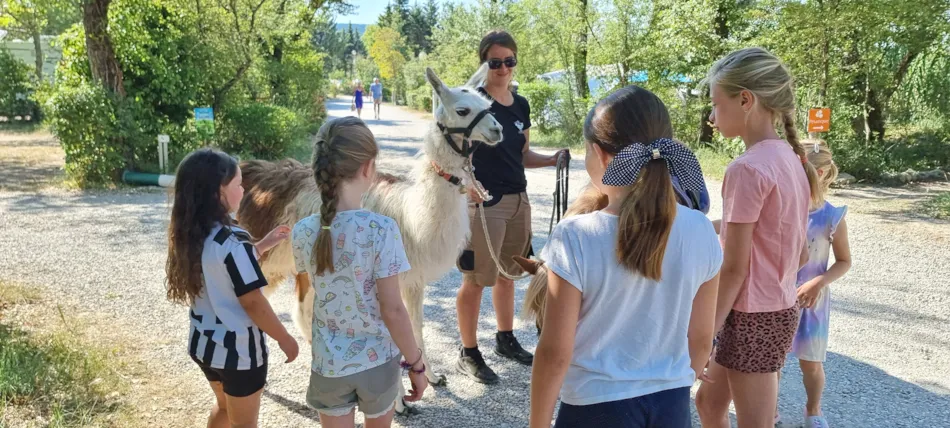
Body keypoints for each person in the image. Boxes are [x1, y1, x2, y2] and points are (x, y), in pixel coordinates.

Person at [529, 85, 722, 428]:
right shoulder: (702, 230)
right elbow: (701, 341)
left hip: (594, 408)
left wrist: (538, 424)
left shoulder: (575, 235)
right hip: (671, 405)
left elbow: (555, 352)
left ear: (601, 155)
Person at [695, 47, 820, 428]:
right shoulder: (791, 159)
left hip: (751, 317)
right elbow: (799, 253)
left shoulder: (746, 169)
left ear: (745, 100)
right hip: (774, 309)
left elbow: (735, 268)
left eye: (716, 104)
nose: (712, 117)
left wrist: (704, 335)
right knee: (708, 403)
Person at [291, 117, 427, 427]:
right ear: (367, 168)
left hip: (328, 364)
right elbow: (393, 309)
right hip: (377, 363)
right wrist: (417, 365)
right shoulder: (382, 229)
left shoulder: (302, 231)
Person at [455, 29, 570, 384]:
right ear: (483, 64)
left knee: (509, 276)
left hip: (519, 201)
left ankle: (505, 339)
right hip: (484, 205)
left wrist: (551, 159)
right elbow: (449, 155)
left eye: (509, 61)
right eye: (495, 62)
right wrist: (466, 186)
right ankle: (468, 352)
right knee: (476, 281)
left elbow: (521, 155)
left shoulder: (521, 105)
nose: (503, 68)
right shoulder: (470, 103)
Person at [165, 148, 299, 428]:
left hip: (204, 344)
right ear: (219, 193)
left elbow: (223, 268)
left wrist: (262, 246)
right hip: (238, 354)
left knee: (224, 406)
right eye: (239, 184)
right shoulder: (234, 242)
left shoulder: (192, 232)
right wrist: (284, 337)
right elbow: (253, 302)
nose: (244, 189)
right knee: (244, 423)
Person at [777, 139, 852, 428]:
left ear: (818, 174)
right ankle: (769, 409)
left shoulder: (832, 216)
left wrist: (818, 283)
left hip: (812, 301)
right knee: (773, 361)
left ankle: (813, 410)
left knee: (811, 363)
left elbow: (844, 261)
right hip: (778, 296)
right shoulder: (781, 207)